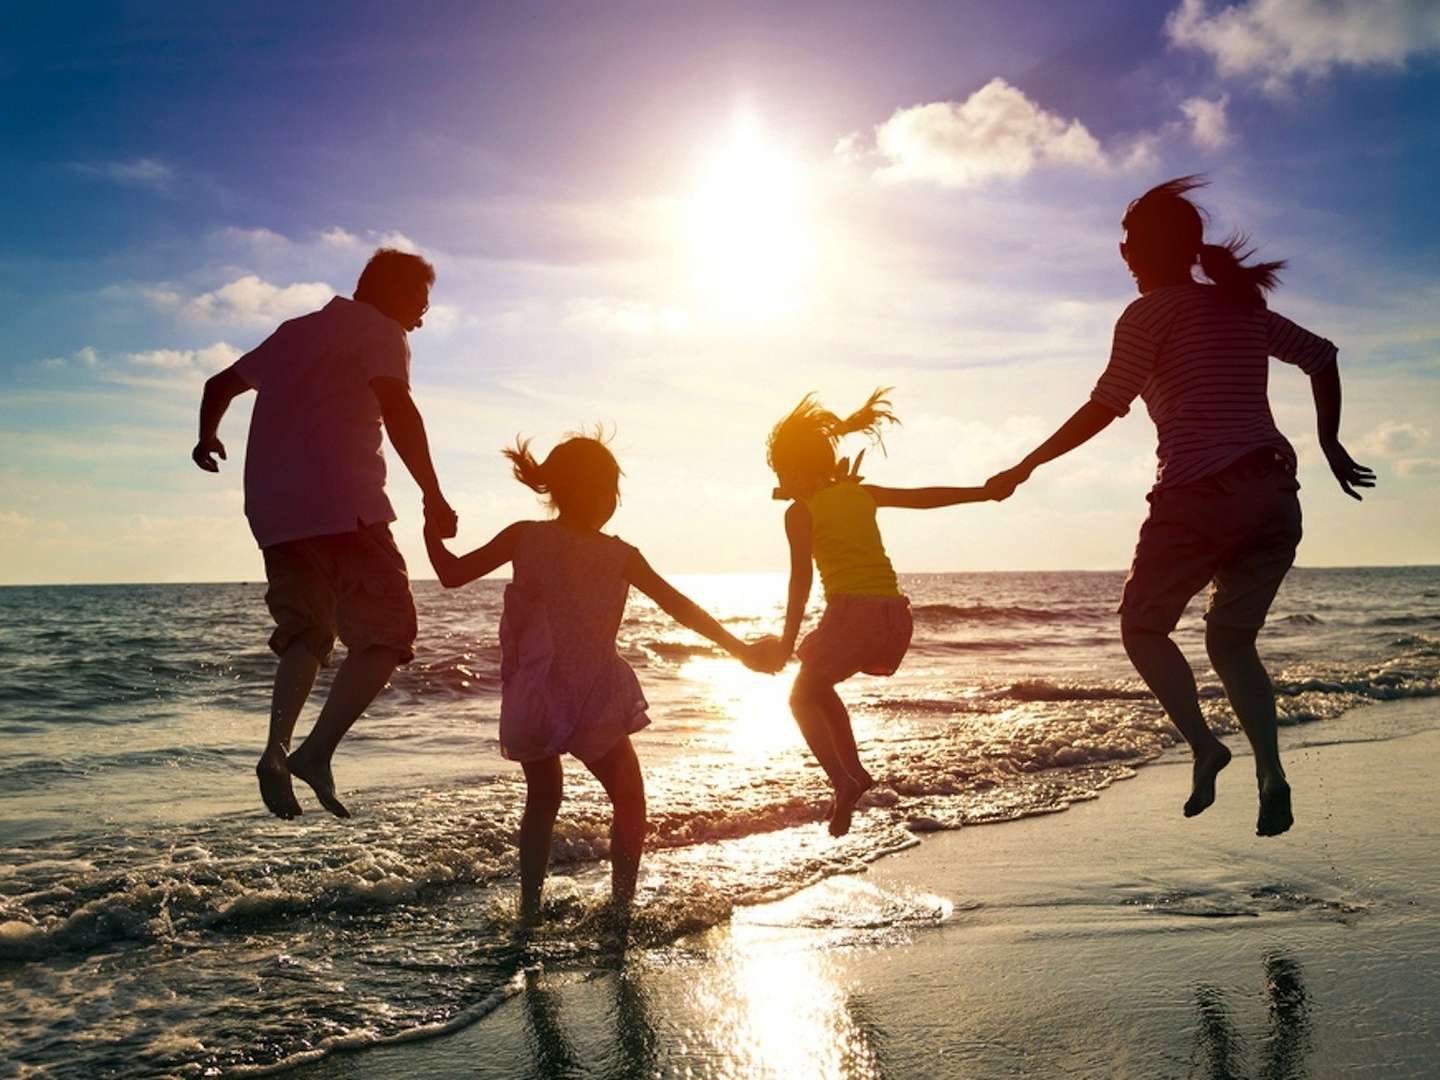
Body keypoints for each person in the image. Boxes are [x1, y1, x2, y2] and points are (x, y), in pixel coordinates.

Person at [985, 176, 1374, 837]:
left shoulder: (1149, 314)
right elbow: (1322, 356)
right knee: (1231, 641)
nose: (1123, 250)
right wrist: (1330, 444)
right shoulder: (1239, 308)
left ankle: (1205, 745)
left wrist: (1026, 463)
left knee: (1142, 627)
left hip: (1200, 494)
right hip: (1276, 497)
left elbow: (1106, 405)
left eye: (1130, 240)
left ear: (1150, 250)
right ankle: (1270, 772)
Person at [424, 433, 773, 929]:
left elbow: (451, 573)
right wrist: (739, 650)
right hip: (591, 697)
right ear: (578, 490)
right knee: (628, 796)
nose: (612, 500)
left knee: (544, 798)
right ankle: (622, 909)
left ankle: (528, 912)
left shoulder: (524, 535)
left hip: (536, 696)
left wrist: (428, 528)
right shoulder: (620, 555)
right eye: (607, 488)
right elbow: (681, 609)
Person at [191, 248, 458, 821]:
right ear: (391, 292)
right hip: (345, 506)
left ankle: (275, 749)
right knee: (390, 634)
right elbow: (399, 408)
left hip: (274, 515)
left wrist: (205, 438)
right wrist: (433, 494)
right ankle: (315, 753)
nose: (422, 316)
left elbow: (219, 385)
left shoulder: (294, 332)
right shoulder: (382, 330)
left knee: (308, 632)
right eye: (420, 301)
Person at [755, 389, 1000, 837]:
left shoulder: (799, 512)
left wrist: (787, 641)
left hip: (853, 615)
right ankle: (853, 774)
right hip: (894, 618)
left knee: (799, 697)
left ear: (792, 469)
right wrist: (983, 493)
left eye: (780, 470)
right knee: (817, 685)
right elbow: (923, 498)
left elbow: (800, 581)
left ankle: (844, 780)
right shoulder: (860, 492)